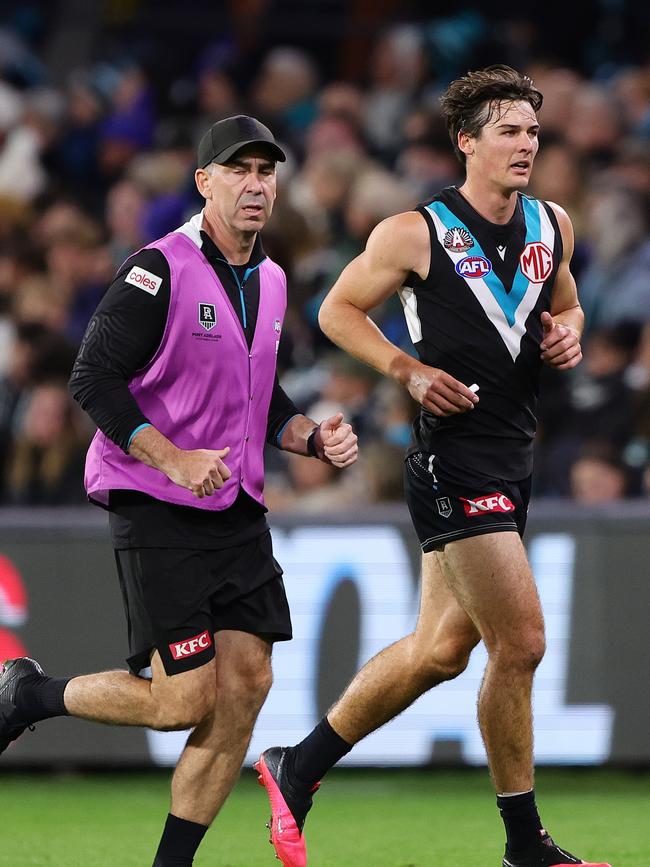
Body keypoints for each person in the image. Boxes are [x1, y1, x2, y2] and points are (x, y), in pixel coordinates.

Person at [256, 66, 611, 867]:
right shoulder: (414, 231)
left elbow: (567, 302)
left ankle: (297, 766)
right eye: (508, 131)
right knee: (518, 642)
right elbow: (336, 309)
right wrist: (405, 370)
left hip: (512, 454)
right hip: (452, 460)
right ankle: (526, 845)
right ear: (467, 142)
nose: (526, 144)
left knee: (441, 649)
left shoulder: (553, 223)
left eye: (531, 130)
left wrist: (572, 331)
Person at [0, 114, 358, 867]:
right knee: (181, 700)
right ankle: (26, 694)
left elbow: (261, 394)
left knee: (249, 681)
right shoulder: (156, 269)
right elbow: (91, 377)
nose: (256, 184)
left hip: (234, 509)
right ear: (204, 182)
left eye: (266, 171)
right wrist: (173, 459)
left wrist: (311, 438)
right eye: (240, 170)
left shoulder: (270, 278)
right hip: (155, 499)